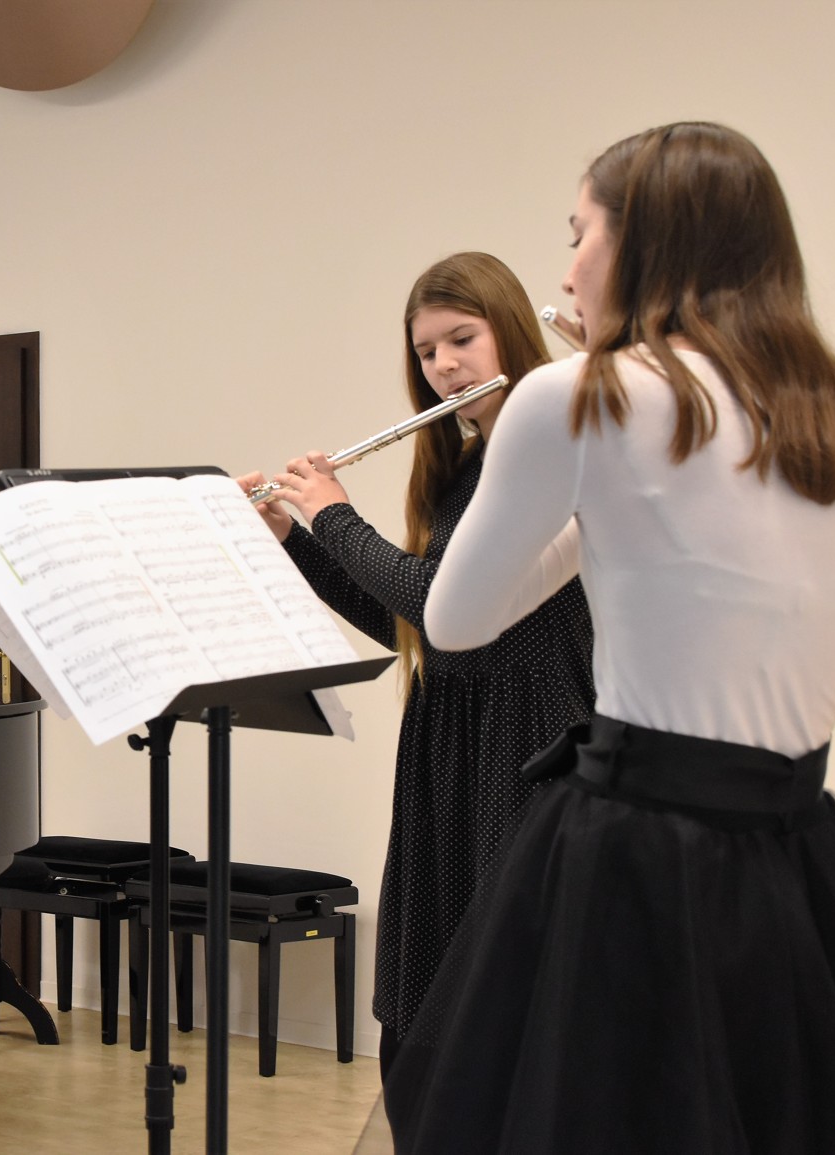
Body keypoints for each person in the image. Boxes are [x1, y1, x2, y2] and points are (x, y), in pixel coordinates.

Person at [380, 122, 835, 1154]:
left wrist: (596, 471)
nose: (567, 268)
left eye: (578, 232)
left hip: (631, 853)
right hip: (796, 856)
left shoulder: (574, 397)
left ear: (644, 245)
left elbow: (453, 618)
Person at [236, 252, 596, 1077]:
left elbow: (439, 604)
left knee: (505, 1004)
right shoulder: (460, 466)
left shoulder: (552, 457)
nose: (444, 366)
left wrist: (334, 515)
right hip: (450, 739)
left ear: (510, 330)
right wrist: (294, 540)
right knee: (425, 1008)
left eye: (461, 339)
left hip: (531, 740)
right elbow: (414, 626)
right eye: (427, 351)